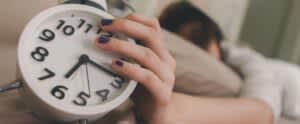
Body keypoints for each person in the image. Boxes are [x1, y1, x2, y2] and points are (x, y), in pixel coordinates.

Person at [96, 2, 274, 124]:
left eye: (199, 39)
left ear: (215, 37)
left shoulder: (252, 61)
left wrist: (169, 111)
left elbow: (264, 113)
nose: (199, 53)